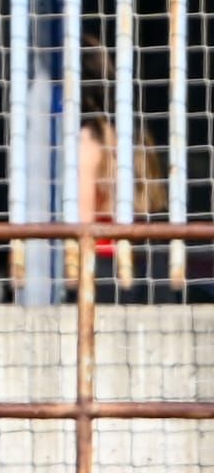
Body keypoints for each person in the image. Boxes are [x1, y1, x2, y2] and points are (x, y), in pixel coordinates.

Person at [76, 34, 173, 303]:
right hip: (149, 260)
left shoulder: (90, 138)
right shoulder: (136, 132)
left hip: (105, 264)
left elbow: (82, 219)